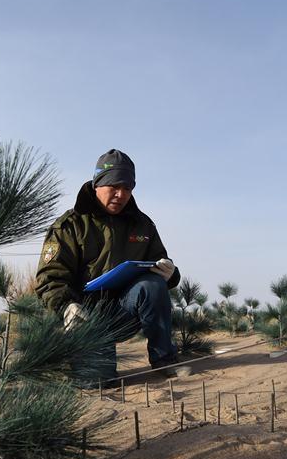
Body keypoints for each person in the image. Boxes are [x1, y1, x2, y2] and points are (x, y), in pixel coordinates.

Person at [35, 149, 181, 379]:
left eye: (127, 188)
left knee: (152, 285)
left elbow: (160, 264)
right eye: (114, 186)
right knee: (97, 381)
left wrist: (170, 272)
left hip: (124, 310)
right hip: (84, 316)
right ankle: (73, 359)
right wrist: (66, 306)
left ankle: (165, 360)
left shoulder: (143, 225)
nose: (121, 194)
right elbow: (50, 278)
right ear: (97, 184)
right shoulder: (69, 226)